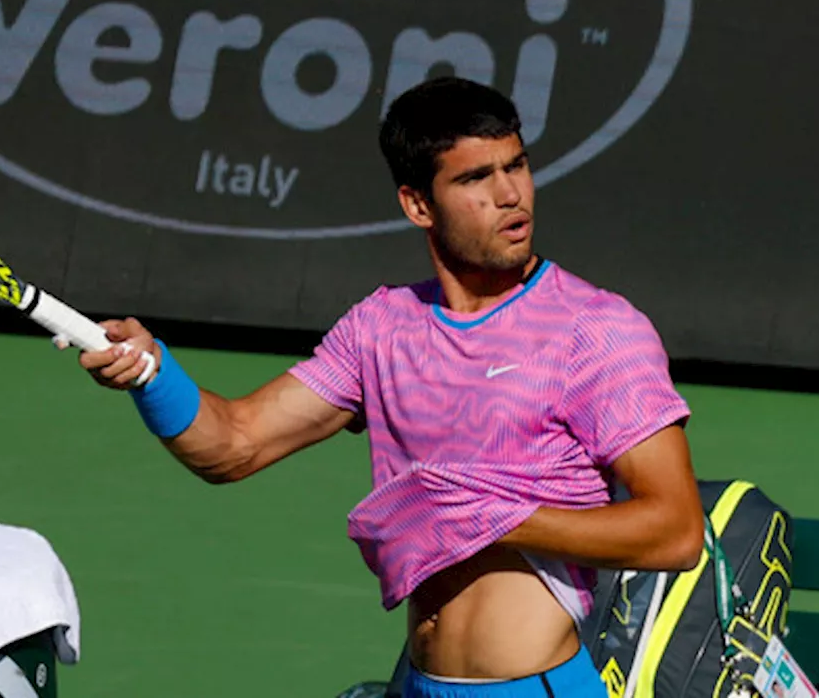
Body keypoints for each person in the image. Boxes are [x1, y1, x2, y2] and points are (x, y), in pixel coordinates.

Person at [75, 77, 705, 698]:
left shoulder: (595, 329)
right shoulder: (382, 328)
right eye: (475, 179)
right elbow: (234, 444)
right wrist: (153, 373)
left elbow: (675, 532)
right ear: (418, 205)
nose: (511, 195)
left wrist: (499, 520)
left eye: (517, 167)